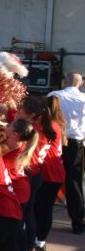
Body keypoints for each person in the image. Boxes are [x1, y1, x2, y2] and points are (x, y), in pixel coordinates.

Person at [0, 120, 38, 251]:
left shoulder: (11, 156)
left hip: (15, 198)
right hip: (21, 196)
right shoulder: (20, 149)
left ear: (15, 134)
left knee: (12, 239)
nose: (5, 126)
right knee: (14, 236)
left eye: (9, 126)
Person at [24, 96, 64, 251]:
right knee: (40, 209)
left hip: (49, 173)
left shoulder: (42, 128)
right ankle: (37, 242)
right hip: (49, 172)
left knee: (41, 209)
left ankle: (38, 243)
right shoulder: (52, 125)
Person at [49, 72, 84, 234]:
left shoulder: (54, 95)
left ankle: (41, 216)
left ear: (65, 81)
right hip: (75, 143)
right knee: (74, 181)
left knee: (48, 178)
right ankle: (78, 222)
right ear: (80, 83)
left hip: (55, 140)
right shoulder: (83, 99)